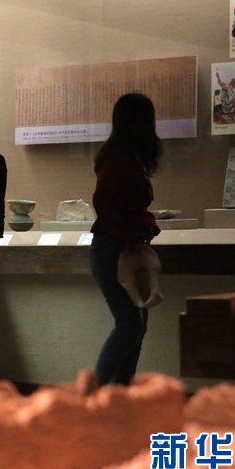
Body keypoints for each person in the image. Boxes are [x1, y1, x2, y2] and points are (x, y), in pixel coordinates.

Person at [89, 93, 163, 387]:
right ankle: (94, 395)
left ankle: (118, 395)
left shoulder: (123, 157)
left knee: (135, 326)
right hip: (114, 248)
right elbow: (104, 205)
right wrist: (135, 231)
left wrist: (143, 224)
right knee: (130, 324)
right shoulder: (121, 160)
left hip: (117, 247)